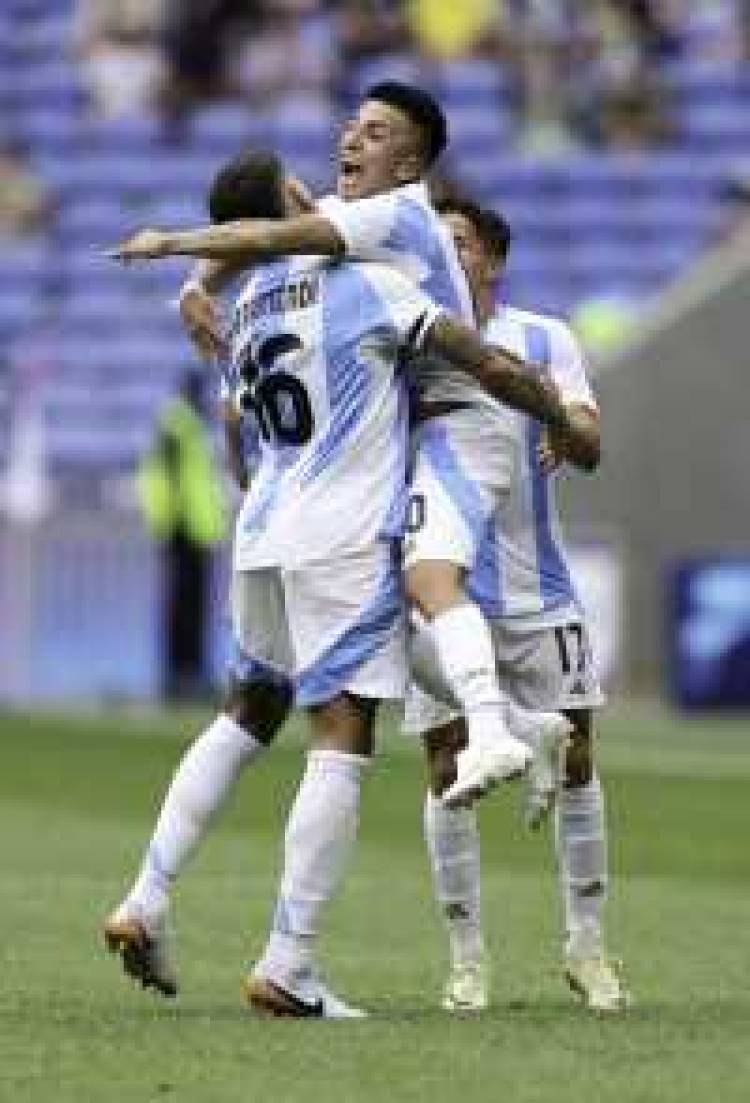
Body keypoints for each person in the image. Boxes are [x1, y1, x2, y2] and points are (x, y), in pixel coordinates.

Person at [104, 148, 575, 1017]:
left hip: (263, 527)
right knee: (343, 732)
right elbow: (489, 364)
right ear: (291, 198)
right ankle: (291, 963)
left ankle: (146, 897)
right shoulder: (368, 283)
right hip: (341, 529)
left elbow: (230, 419)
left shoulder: (246, 305)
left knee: (245, 713)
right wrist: (554, 415)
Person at [111, 81, 579, 805]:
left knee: (428, 581)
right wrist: (193, 290)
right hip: (406, 427)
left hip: (462, 420)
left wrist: (170, 246)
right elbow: (258, 234)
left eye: (375, 131)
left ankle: (490, 729)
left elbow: (268, 236)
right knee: (385, 612)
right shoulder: (352, 214)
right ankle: (531, 725)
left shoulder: (393, 213)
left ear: (410, 161)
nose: (352, 139)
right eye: (352, 125)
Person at [405, 196, 629, 1015]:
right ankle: (467, 961)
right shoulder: (410, 333)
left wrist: (563, 426)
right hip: (443, 587)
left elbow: (593, 445)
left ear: (492, 261)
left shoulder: (544, 339)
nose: (445, 254)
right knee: (445, 769)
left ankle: (588, 945)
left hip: (539, 591)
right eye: (437, 242)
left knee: (577, 760)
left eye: (459, 243)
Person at [137, 369, 226, 699]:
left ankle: (191, 671)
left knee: (194, 607)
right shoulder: (177, 426)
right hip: (183, 530)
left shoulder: (187, 426)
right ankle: (180, 675)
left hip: (197, 530)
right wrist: (168, 524)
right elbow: (163, 479)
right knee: (182, 608)